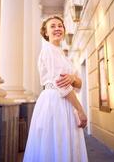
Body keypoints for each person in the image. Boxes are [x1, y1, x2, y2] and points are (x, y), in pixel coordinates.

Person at [23, 15, 88, 162]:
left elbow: (79, 83)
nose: (57, 28)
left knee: (64, 144)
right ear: (45, 33)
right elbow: (63, 86)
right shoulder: (49, 50)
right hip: (55, 103)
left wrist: (72, 78)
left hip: (64, 102)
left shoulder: (63, 55)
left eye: (60, 25)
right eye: (52, 26)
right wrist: (80, 110)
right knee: (56, 144)